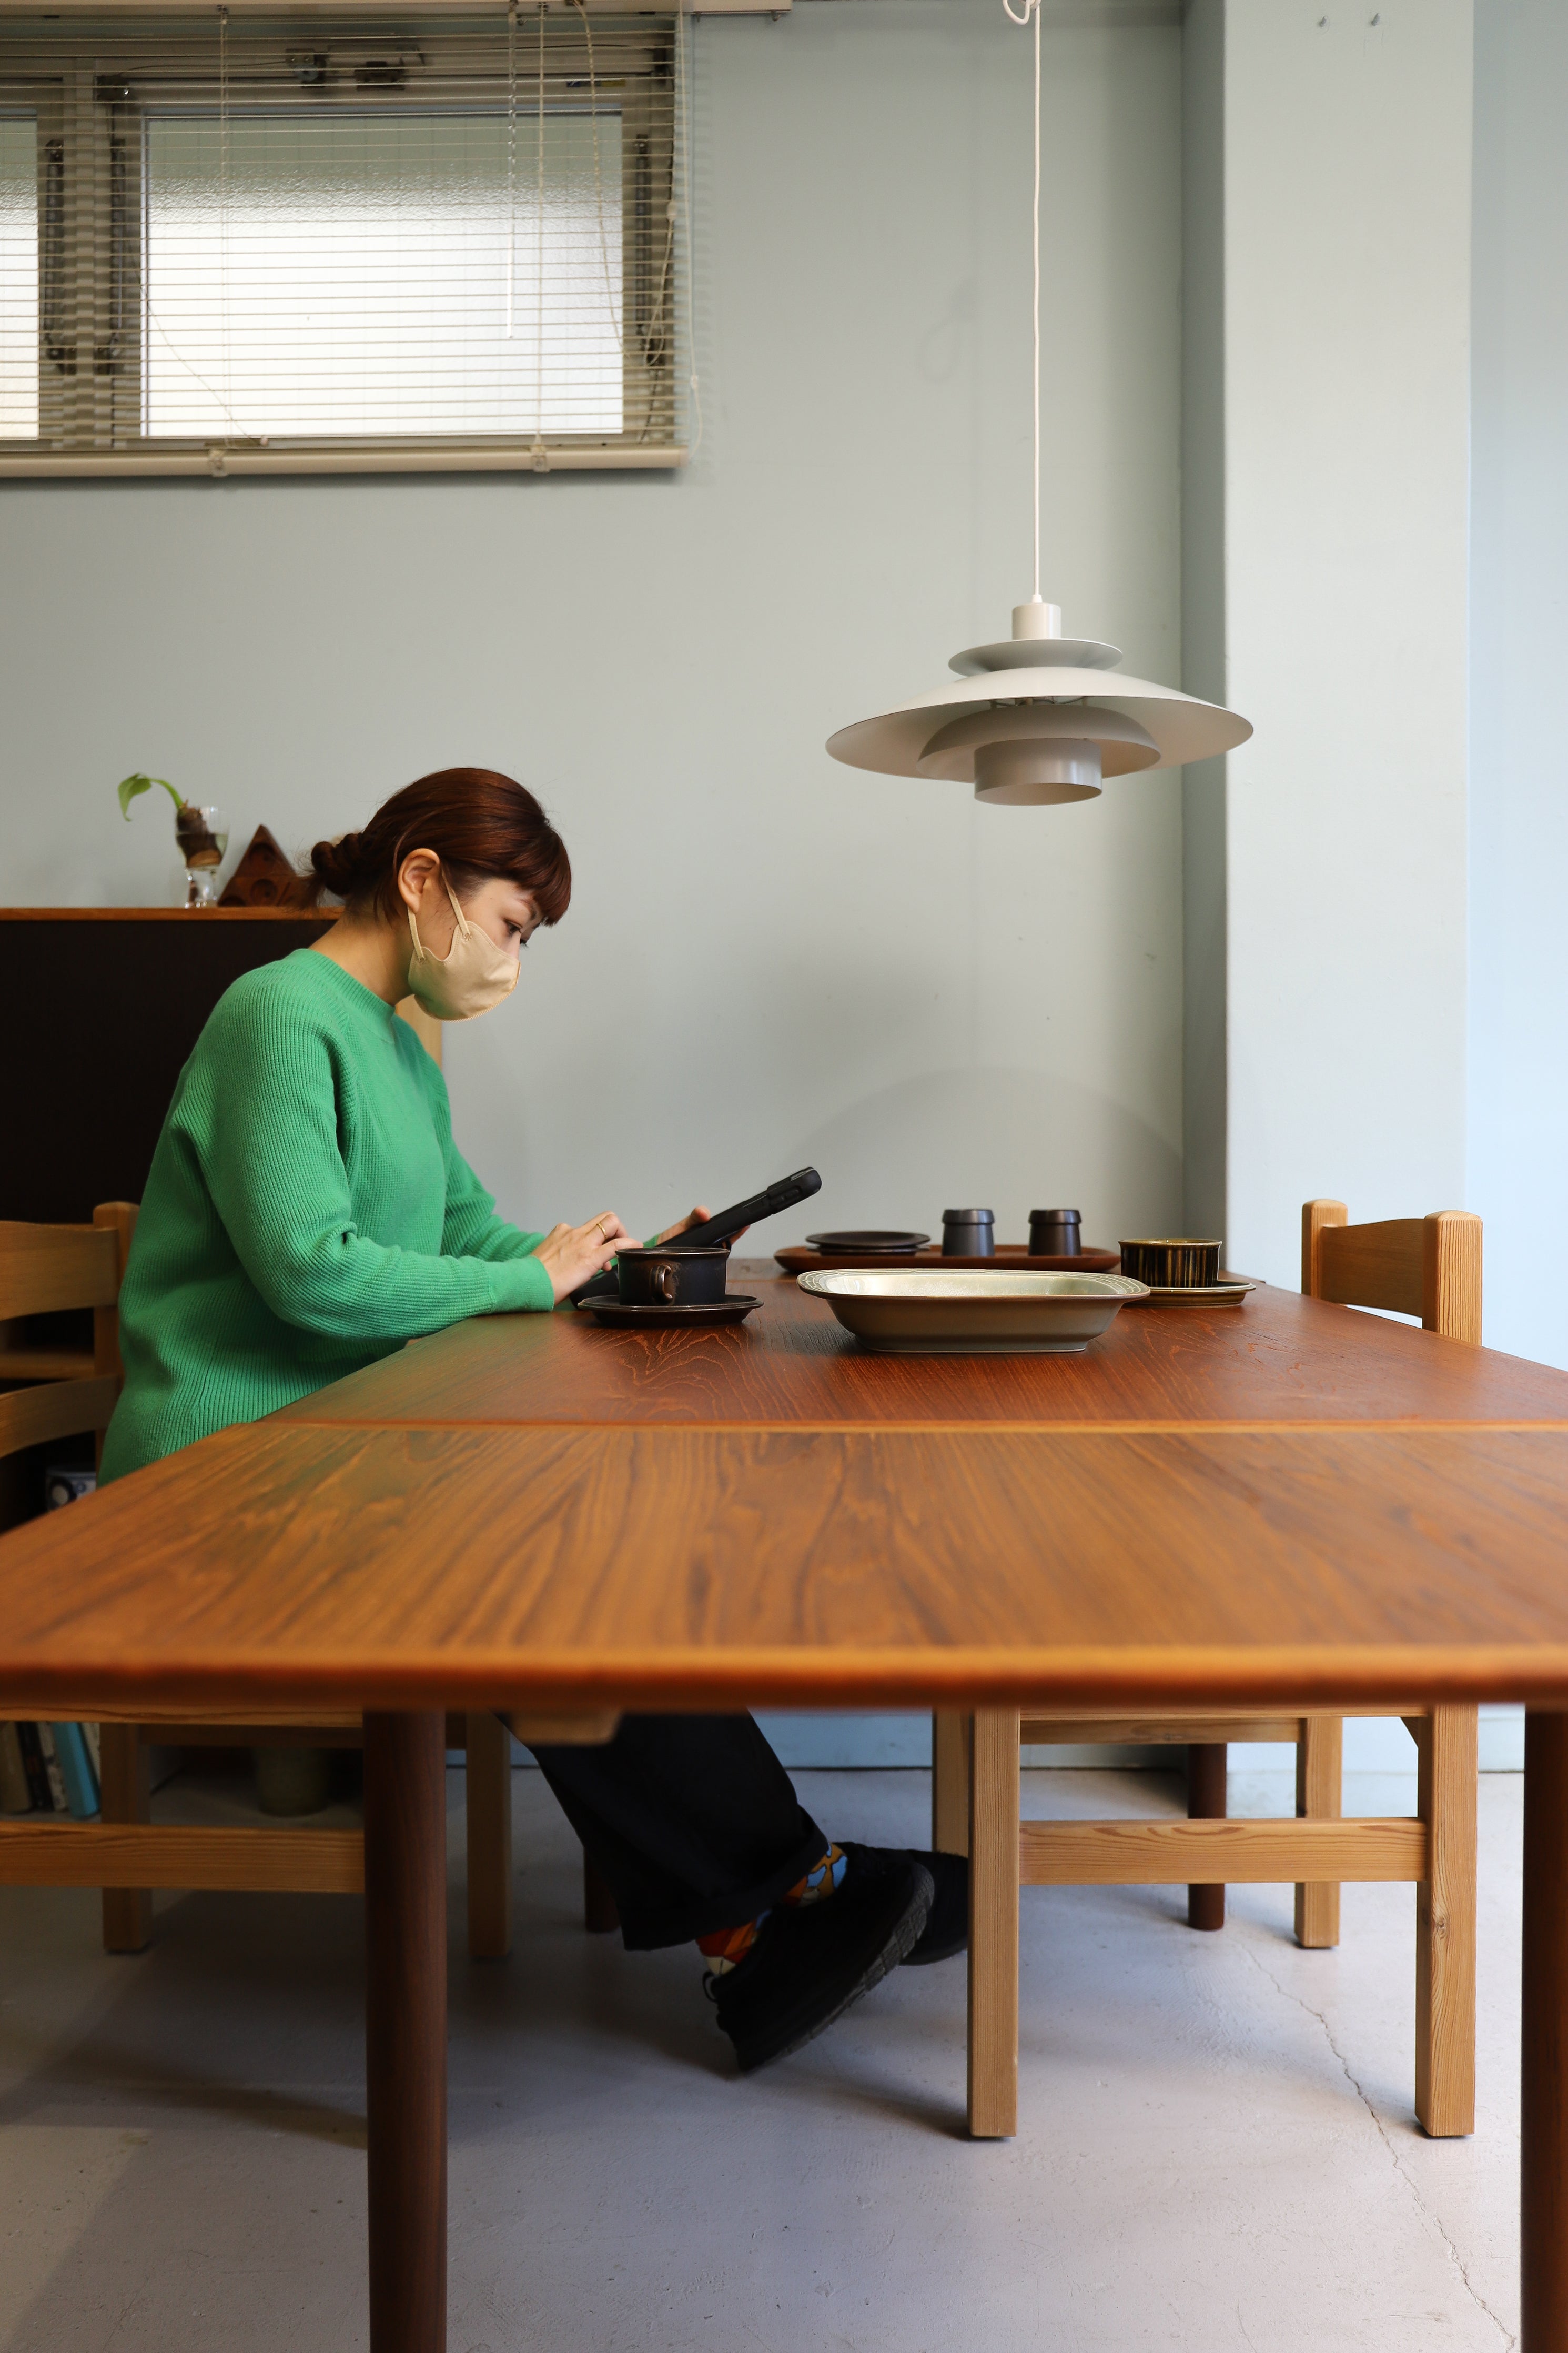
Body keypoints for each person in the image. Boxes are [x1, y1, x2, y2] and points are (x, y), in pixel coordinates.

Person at [99, 766, 965, 2073]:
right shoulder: (276, 1017)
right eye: (512, 925)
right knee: (534, 1563)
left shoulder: (394, 1043)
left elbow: (464, 1235)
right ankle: (779, 1900)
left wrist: (618, 1268)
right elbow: (310, 1270)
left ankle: (781, 1895)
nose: (511, 961)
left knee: (576, 1531)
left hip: (343, 1439)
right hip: (231, 1464)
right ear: (424, 880)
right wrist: (532, 1278)